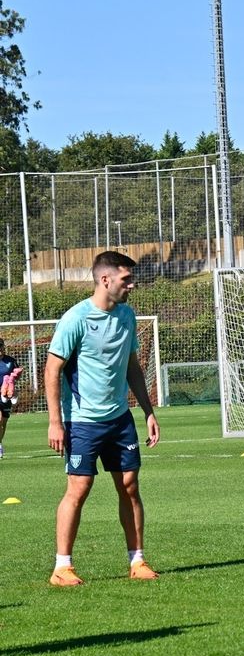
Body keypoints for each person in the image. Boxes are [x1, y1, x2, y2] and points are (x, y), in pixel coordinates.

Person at [44, 251, 160, 586]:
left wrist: (148, 411)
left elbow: (132, 367)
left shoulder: (127, 316)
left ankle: (137, 560)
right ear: (105, 280)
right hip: (82, 421)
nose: (131, 285)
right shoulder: (75, 319)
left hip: (119, 418)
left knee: (129, 486)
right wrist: (56, 422)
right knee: (79, 487)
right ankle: (62, 567)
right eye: (126, 279)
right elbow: (52, 369)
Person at [0, 337, 22, 459]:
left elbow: (16, 376)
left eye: (1, 347)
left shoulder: (10, 361)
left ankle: (0, 442)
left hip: (6, 395)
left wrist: (13, 385)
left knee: (3, 422)